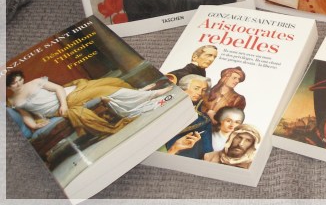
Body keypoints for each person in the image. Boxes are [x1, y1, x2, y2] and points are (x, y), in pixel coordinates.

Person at [7, 71, 173, 137]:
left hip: (67, 96)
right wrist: (35, 125)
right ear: (9, 87)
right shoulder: (14, 101)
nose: (19, 84)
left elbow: (58, 89)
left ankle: (140, 92)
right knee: (104, 90)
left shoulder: (35, 82)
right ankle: (152, 94)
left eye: (20, 80)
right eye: (14, 83)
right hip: (65, 105)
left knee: (110, 82)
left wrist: (63, 104)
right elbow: (26, 116)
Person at [165, 74, 213, 158]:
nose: (199, 93)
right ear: (183, 88)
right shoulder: (166, 106)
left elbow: (207, 150)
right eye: (196, 88)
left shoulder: (204, 120)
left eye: (203, 90)